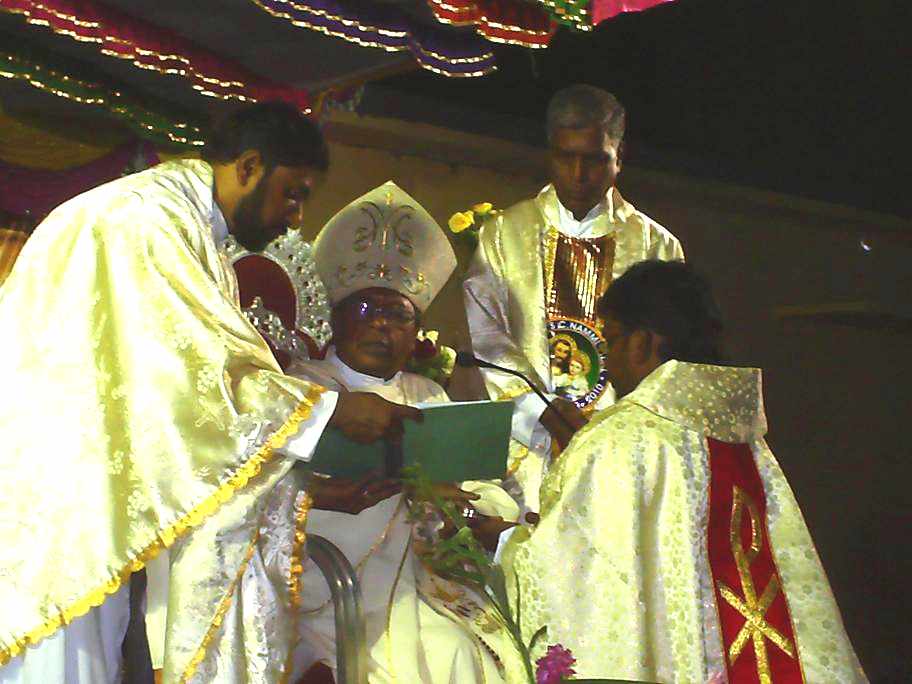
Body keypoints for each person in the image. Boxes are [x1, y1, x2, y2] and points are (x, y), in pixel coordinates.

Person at [0, 103, 415, 683]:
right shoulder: (146, 221)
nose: (295, 217)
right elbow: (198, 381)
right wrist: (330, 410)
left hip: (89, 491)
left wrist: (305, 491)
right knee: (59, 662)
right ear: (249, 167)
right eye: (292, 194)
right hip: (62, 502)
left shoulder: (183, 224)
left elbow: (176, 415)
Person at [196, 182, 519, 683]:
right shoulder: (302, 389)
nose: (382, 327)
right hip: (323, 583)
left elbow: (486, 491)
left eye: (400, 316)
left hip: (414, 583)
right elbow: (259, 487)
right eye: (368, 310)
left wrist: (460, 504)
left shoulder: (427, 393)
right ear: (338, 317)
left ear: (416, 331)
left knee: (466, 652)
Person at [501, 260, 867, 683]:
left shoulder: (621, 438)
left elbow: (572, 577)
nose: (609, 362)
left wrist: (505, 542)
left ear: (643, 342)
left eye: (613, 340)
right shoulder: (745, 439)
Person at [463, 84, 683, 518]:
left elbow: (669, 358)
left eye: (596, 159)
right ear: (550, 154)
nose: (579, 175)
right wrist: (541, 410)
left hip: (622, 451)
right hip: (526, 445)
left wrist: (609, 424)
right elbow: (485, 335)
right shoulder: (504, 234)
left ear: (620, 155)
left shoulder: (657, 247)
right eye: (566, 157)